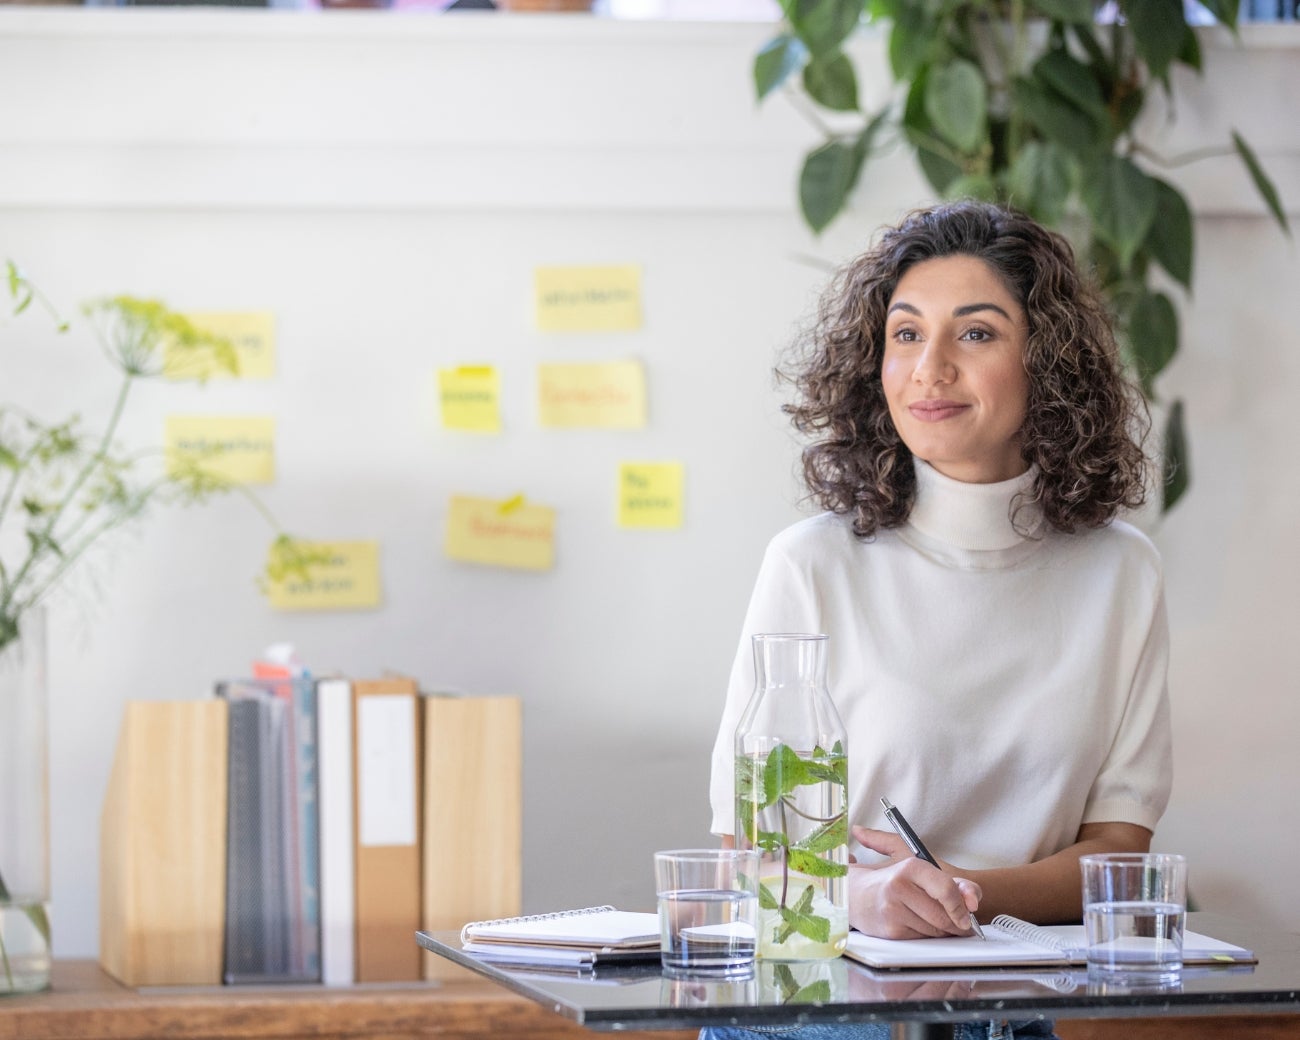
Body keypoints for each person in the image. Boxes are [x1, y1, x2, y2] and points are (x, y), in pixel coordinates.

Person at [704, 201, 1173, 1040]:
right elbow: (747, 852)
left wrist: (959, 890)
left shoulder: (1120, 571)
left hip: (1010, 1005)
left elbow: (1117, 851)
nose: (931, 368)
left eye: (978, 334)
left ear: (1048, 361)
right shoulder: (812, 564)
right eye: (907, 334)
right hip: (816, 1002)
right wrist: (861, 896)